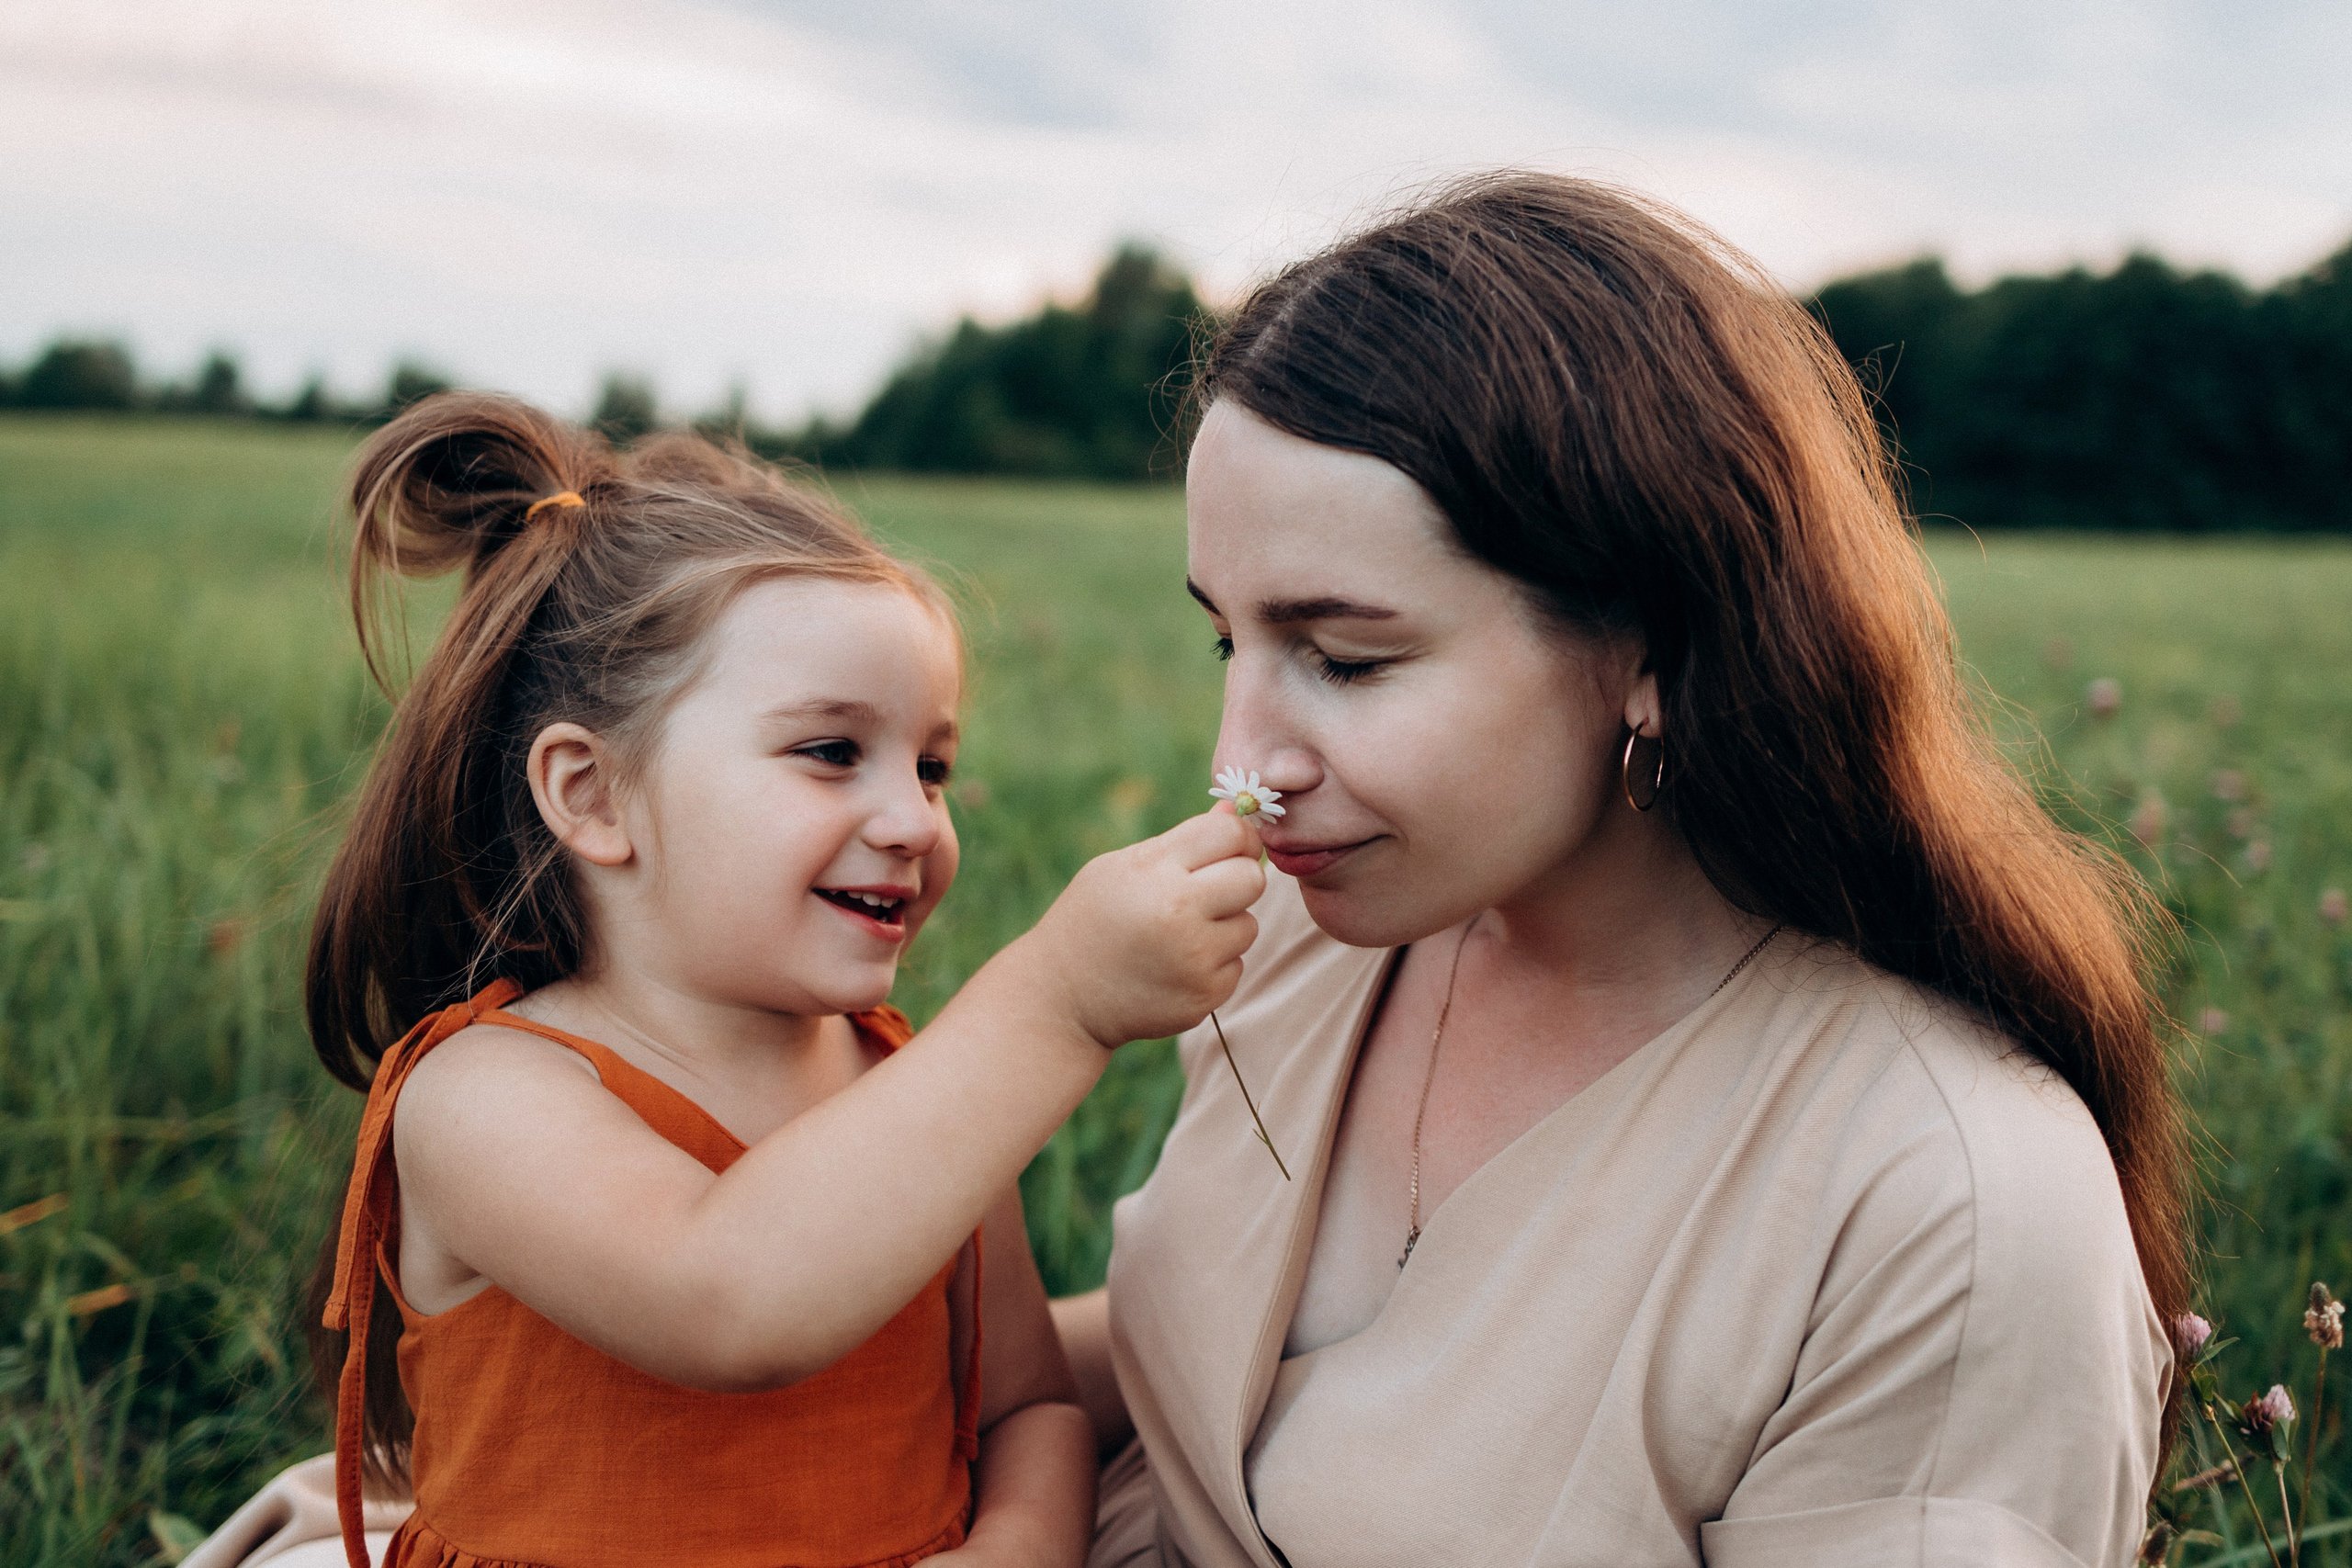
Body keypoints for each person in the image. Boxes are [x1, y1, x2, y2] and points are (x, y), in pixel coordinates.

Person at [1056, 174, 2182, 1567]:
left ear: (1648, 642)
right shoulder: (1293, 930)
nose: (1245, 762)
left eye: (1346, 659)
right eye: (1231, 643)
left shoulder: (1942, 1199)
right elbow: (1234, 1347)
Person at [222, 394, 1266, 1568]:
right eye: (831, 752)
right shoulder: (480, 1096)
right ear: (592, 796)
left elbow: (1023, 1407)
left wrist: (1010, 1550)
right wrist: (1057, 1001)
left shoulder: (914, 1088)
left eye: (931, 767)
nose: (911, 820)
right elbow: (730, 1299)